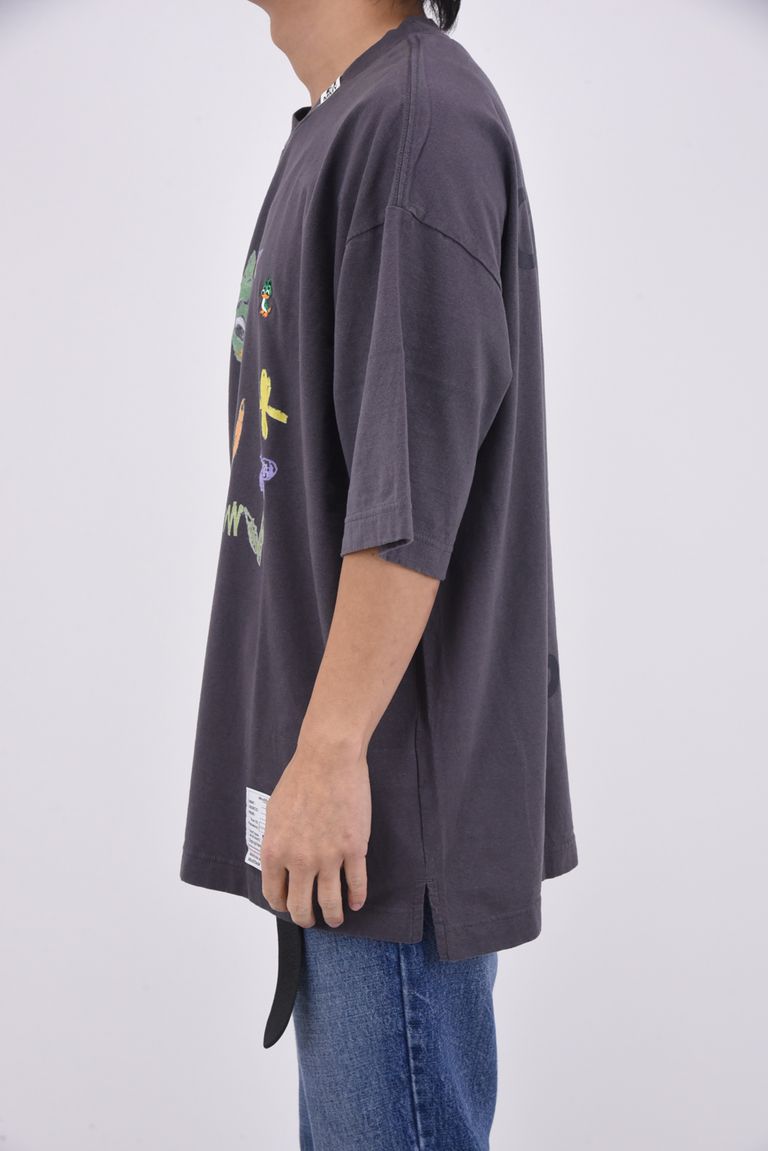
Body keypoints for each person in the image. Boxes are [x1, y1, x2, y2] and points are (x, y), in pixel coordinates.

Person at [179, 1, 579, 1147]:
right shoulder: (355, 119)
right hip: (357, 809)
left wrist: (331, 749)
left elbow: (413, 489)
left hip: (384, 817)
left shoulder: (417, 122)